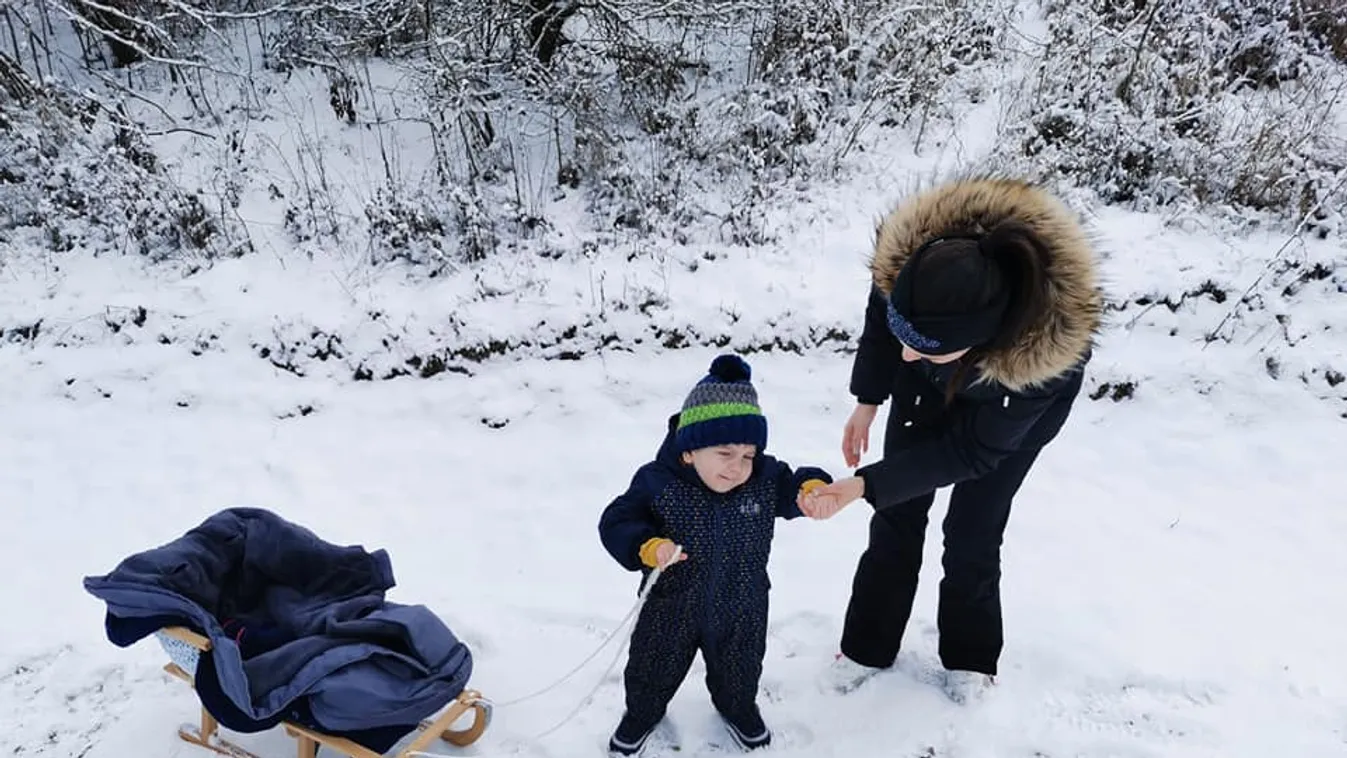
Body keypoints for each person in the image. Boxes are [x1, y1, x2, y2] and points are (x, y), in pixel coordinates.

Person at [800, 176, 1103, 703]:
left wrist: (862, 484)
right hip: (930, 396)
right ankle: (867, 645)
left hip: (1006, 424)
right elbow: (885, 318)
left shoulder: (1041, 362)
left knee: (974, 530)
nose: (906, 356)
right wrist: (868, 400)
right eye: (906, 338)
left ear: (982, 337)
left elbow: (972, 451)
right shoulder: (916, 267)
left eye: (925, 347)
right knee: (897, 513)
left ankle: (969, 656)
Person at [598, 354, 834, 755]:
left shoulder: (763, 480)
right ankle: (642, 711)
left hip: (742, 603)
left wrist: (811, 488)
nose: (738, 466)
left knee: (741, 666)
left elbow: (794, 484)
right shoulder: (659, 483)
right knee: (653, 664)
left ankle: (737, 707)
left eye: (747, 455)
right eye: (725, 454)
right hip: (671, 605)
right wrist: (648, 546)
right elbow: (616, 520)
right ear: (690, 451)